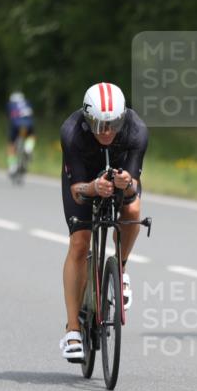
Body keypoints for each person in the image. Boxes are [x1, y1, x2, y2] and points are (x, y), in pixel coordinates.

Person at [58, 82, 148, 359]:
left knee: (132, 213)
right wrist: (93, 188)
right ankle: (73, 330)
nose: (107, 132)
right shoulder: (71, 132)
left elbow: (133, 186)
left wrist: (126, 183)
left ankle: (119, 269)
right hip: (84, 181)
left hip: (120, 179)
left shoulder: (137, 130)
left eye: (113, 124)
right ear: (88, 120)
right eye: (99, 125)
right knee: (79, 243)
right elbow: (76, 189)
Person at [6, 91, 36, 176]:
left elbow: (8, 116)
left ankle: (12, 166)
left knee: (11, 145)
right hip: (28, 124)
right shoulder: (27, 102)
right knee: (31, 136)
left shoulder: (10, 104)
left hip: (16, 124)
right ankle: (28, 148)